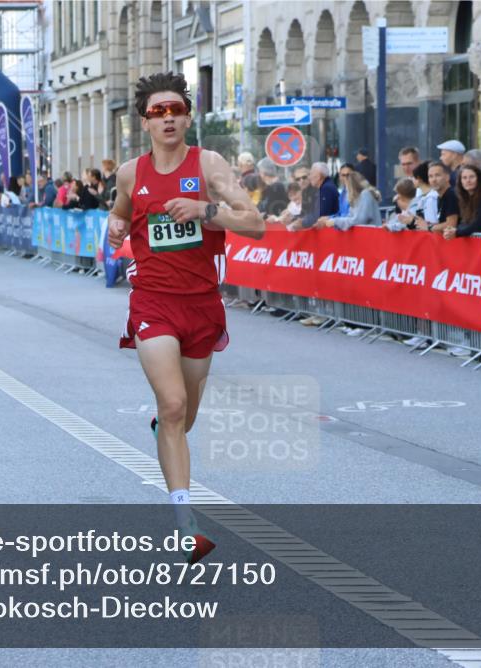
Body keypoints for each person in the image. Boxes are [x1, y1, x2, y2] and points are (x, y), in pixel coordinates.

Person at [106, 72, 264, 564]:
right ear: (145, 121)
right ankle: (185, 523)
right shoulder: (131, 172)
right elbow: (120, 211)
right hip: (152, 301)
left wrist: (203, 210)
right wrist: (114, 226)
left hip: (202, 305)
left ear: (188, 116)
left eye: (175, 108)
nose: (168, 116)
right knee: (173, 405)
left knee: (184, 416)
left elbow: (255, 224)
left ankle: (165, 429)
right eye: (158, 111)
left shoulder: (209, 164)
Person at [445, 164, 481, 239]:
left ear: (479, 179)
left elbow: (480, 224)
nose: (468, 180)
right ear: (460, 182)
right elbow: (466, 223)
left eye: (472, 177)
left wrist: (457, 232)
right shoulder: (465, 198)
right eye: (464, 178)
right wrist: (453, 231)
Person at [405, 161, 458, 233]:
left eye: (437, 175)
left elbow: (451, 225)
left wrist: (429, 227)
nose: (434, 179)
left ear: (447, 177)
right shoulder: (440, 196)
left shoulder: (451, 195)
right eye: (430, 176)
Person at [289, 162, 339, 230]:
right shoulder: (305, 191)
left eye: (304, 177)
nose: (301, 181)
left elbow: (318, 214)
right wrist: (292, 218)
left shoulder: (322, 189)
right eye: (298, 179)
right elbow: (304, 213)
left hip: (330, 230)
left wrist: (301, 222)